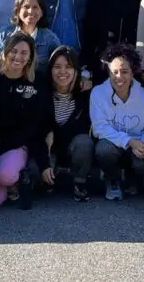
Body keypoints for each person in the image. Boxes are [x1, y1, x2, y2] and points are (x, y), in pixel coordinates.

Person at [0, 32, 48, 209]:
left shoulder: (38, 82)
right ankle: (7, 184)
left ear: (31, 57)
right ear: (5, 52)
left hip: (18, 144)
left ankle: (16, 177)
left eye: (24, 53)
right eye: (14, 51)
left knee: (5, 175)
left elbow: (36, 123)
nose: (18, 56)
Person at [90, 44, 144, 201]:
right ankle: (112, 178)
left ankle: (132, 177)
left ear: (132, 73)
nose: (119, 77)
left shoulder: (143, 95)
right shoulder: (98, 93)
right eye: (114, 72)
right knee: (104, 150)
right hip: (112, 144)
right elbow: (99, 128)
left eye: (124, 72)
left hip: (137, 145)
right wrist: (129, 141)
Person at [42, 46, 94, 202]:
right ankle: (48, 177)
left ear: (76, 70)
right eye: (57, 67)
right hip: (48, 145)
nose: (62, 72)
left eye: (68, 67)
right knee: (32, 167)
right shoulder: (42, 93)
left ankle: (79, 181)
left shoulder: (84, 94)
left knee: (85, 143)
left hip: (72, 145)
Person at [0, 0, 61, 79]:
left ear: (42, 12)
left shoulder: (50, 39)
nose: (30, 11)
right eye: (26, 6)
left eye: (35, 7)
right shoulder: (5, 33)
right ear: (18, 11)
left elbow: (59, 64)